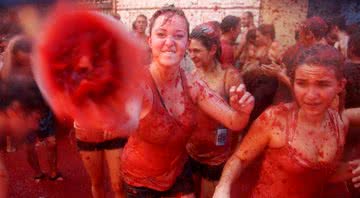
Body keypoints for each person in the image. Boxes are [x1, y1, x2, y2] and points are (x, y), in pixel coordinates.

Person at [120, 6, 254, 198]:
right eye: (161, 34)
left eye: (178, 35)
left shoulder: (192, 83)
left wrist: (242, 110)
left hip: (178, 172)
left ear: (186, 43)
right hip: (141, 180)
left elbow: (234, 122)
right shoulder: (138, 83)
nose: (169, 42)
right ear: (150, 41)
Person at [213, 44, 360, 198]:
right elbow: (240, 158)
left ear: (340, 85)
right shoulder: (275, 120)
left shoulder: (339, 123)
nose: (310, 95)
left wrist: (354, 169)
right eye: (302, 83)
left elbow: (321, 174)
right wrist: (223, 187)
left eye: (322, 84)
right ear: (292, 82)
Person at [186, 22, 243, 198]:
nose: (191, 55)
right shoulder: (192, 74)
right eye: (190, 50)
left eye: (197, 51)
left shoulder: (230, 76)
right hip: (192, 151)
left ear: (212, 50)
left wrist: (233, 156)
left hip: (217, 156)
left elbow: (239, 121)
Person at [1, 35, 63, 182]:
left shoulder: (41, 65)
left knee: (52, 142)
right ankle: (38, 172)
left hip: (44, 109)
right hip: (23, 114)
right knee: (29, 147)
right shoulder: (7, 72)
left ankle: (54, 172)